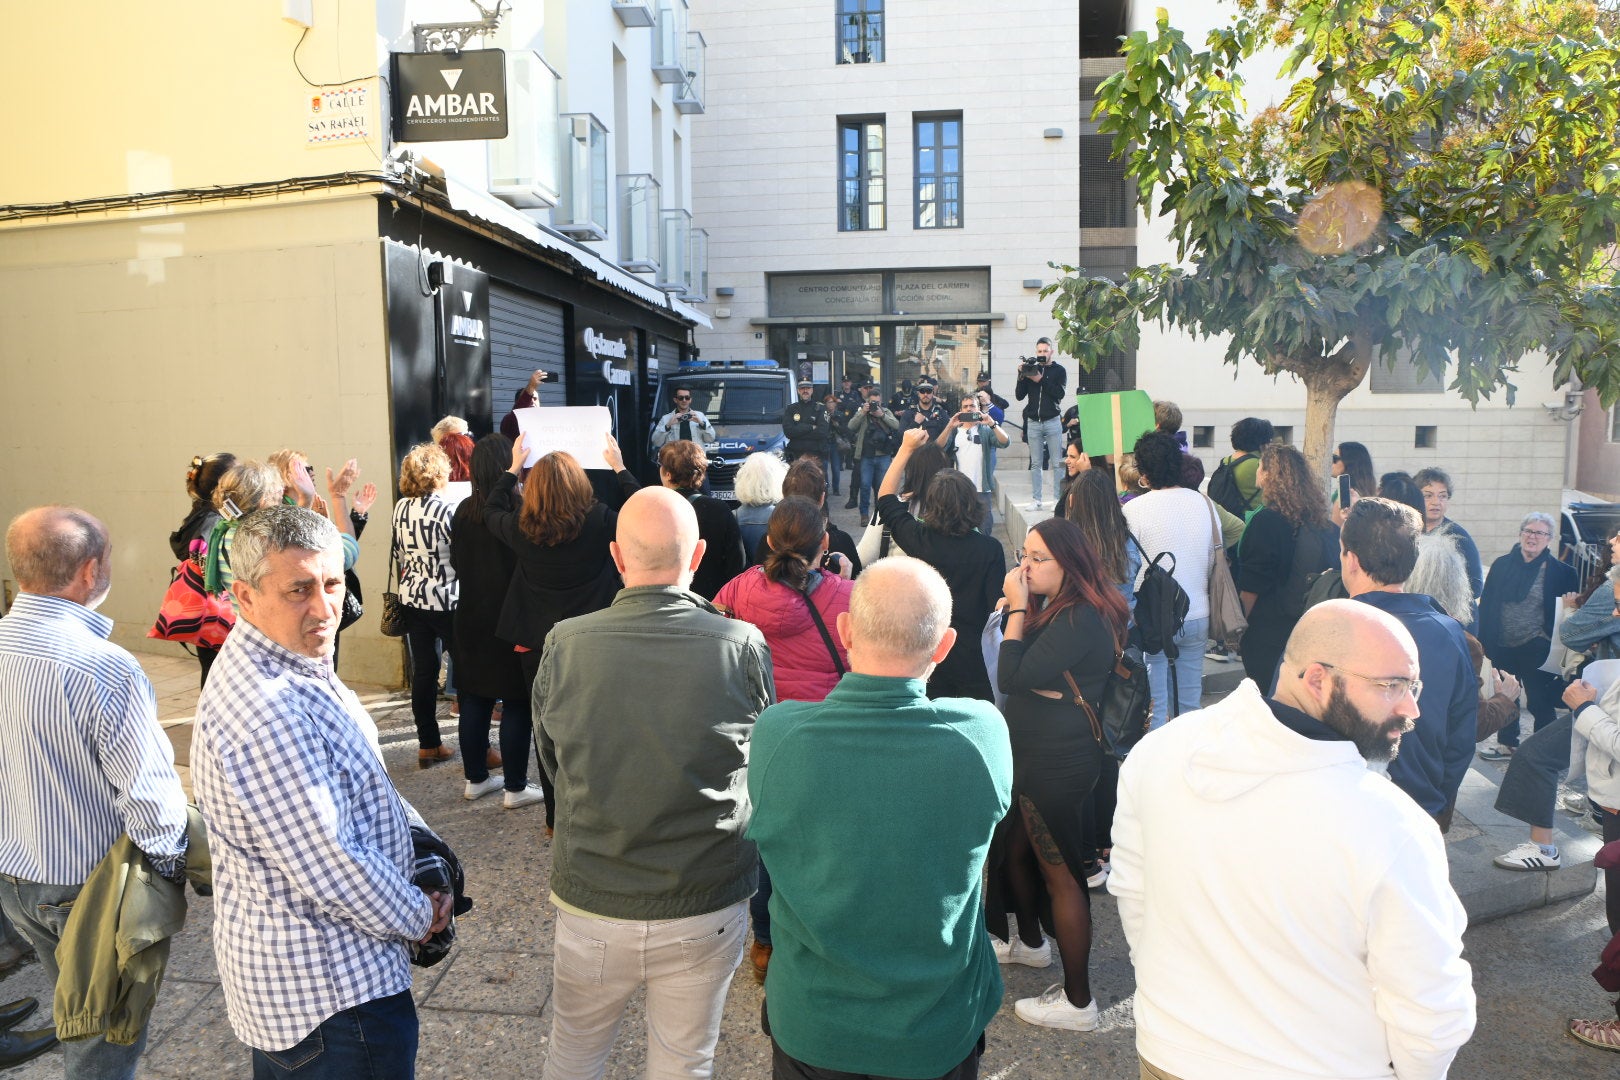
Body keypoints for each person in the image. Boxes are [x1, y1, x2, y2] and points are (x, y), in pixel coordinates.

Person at [1110, 599, 1475, 1079]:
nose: (1412, 708)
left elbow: (1133, 897)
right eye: (1392, 686)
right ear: (1317, 679)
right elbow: (1431, 1010)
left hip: (1170, 1053)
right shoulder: (1393, 826)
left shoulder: (1162, 749)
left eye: (1414, 685)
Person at [193, 506, 452, 1078]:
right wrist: (421, 914)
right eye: (299, 590)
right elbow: (333, 866)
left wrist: (423, 855)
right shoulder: (268, 711)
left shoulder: (291, 658)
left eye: (332, 584)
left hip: (315, 992)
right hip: (334, 1001)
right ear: (245, 595)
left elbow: (360, 785)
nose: (324, 608)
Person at [534, 487, 774, 1080]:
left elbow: (552, 763)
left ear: (617, 556)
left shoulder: (566, 642)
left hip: (594, 891)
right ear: (697, 557)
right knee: (684, 1062)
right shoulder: (740, 643)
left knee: (574, 1054)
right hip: (704, 893)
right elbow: (763, 760)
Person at [749, 557, 1011, 1077]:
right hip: (936, 1028)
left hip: (813, 1026)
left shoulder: (779, 733)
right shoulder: (981, 733)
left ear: (846, 629)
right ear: (944, 646)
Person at [0, 506, 191, 1078]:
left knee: (76, 1007)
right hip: (89, 887)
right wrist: (171, 869)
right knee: (103, 1038)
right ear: (90, 570)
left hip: (14, 878)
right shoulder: (104, 667)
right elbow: (152, 799)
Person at [992, 517, 1132, 1031]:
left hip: (1055, 762)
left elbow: (1010, 675)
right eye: (1023, 555)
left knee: (1063, 877)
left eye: (1037, 558)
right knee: (1016, 851)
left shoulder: (1079, 618)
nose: (1025, 567)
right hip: (1037, 754)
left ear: (1068, 564)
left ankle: (1079, 1002)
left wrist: (1016, 609)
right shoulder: (1065, 607)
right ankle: (1031, 944)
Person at [715, 497, 855, 984]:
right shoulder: (848, 596)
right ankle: (813, 939)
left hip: (761, 736)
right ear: (825, 543)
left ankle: (765, 943)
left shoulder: (737, 589)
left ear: (770, 542)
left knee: (765, 840)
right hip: (825, 737)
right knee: (820, 845)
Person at [484, 435, 637, 819]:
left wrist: (512, 469)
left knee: (546, 729)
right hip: (593, 638)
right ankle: (598, 809)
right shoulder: (601, 520)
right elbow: (640, 510)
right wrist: (619, 467)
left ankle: (555, 816)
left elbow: (490, 509)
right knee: (597, 724)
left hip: (537, 642)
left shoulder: (521, 527)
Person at [1341, 498, 1478, 825]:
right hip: (1419, 806)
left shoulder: (1327, 625)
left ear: (1352, 560)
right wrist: (1436, 799)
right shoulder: (1450, 633)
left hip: (1341, 806)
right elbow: (1461, 737)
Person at [878, 429, 1006, 700]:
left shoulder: (918, 539)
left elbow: (885, 498)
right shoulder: (990, 549)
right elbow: (995, 609)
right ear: (972, 503)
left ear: (931, 504)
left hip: (929, 652)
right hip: (973, 657)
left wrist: (905, 449)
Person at [450, 434, 532, 803]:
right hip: (511, 618)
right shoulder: (518, 512)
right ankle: (515, 787)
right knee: (516, 702)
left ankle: (476, 779)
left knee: (474, 699)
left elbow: (456, 562)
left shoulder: (463, 511)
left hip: (470, 616)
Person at [1123, 432, 1215, 727]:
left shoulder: (1132, 510)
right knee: (1189, 704)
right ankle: (1189, 751)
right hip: (1196, 611)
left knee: (1155, 705)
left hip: (1152, 616)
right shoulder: (1205, 504)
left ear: (1144, 472)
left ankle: (1158, 754)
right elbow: (1212, 560)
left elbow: (1128, 568)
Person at [1236, 443, 1341, 689]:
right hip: (1310, 629)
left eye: (1260, 466)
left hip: (1268, 630)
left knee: (1267, 696)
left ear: (1268, 475)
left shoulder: (1266, 521)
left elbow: (1253, 583)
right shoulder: (1323, 525)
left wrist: (1239, 627)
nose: (1257, 471)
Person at [1477, 511, 1580, 759]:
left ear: (1549, 539)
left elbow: (1571, 610)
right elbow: (1488, 603)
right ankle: (1507, 744)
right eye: (1529, 531)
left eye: (1540, 533)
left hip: (1538, 644)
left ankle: (1544, 751)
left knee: (1539, 700)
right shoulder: (1502, 565)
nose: (1533, 537)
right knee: (1506, 695)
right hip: (1502, 644)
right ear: (1521, 533)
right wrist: (1484, 640)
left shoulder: (1562, 572)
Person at [392, 442, 460, 769]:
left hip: (413, 599)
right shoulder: (448, 510)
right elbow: (461, 557)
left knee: (424, 672)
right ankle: (479, 749)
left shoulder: (400, 508)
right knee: (468, 673)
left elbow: (399, 555)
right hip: (448, 599)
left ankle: (428, 745)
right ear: (438, 473)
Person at [170, 451, 237, 686]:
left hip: (207, 612)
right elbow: (211, 568)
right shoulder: (213, 522)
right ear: (224, 485)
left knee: (211, 670)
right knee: (218, 674)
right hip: (218, 612)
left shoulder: (199, 516)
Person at [658, 440, 747, 599]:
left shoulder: (657, 509)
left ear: (668, 474)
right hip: (714, 602)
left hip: (668, 601)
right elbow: (737, 564)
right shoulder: (720, 509)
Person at [937, 392, 1010, 533]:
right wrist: (949, 426)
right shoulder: (954, 432)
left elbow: (1005, 442)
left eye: (972, 406)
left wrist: (992, 423)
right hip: (959, 490)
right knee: (959, 530)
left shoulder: (986, 430)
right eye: (965, 407)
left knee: (984, 529)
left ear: (978, 409)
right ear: (961, 410)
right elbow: (938, 448)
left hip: (982, 490)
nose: (969, 409)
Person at [780, 457, 862, 575]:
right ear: (822, 498)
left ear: (784, 495)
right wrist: (843, 581)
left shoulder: (773, 539)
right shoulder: (841, 541)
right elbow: (858, 582)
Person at [1014, 337, 1068, 511]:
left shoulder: (1059, 370)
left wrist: (1040, 379)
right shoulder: (1031, 369)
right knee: (1036, 463)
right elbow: (1019, 396)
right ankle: (1036, 499)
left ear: (1051, 352)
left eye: (1045, 351)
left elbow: (1059, 393)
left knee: (1057, 462)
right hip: (1033, 423)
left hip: (1052, 421)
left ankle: (1057, 499)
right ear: (1036, 352)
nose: (1042, 354)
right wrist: (1021, 375)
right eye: (1039, 351)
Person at [1414, 466, 1484, 599]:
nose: (1436, 502)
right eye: (1428, 496)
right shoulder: (1409, 531)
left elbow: (1476, 586)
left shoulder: (1458, 536)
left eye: (1442, 496)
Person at [846, 383, 900, 517]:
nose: (875, 405)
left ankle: (880, 514)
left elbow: (896, 425)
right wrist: (863, 412)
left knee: (881, 487)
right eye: (872, 402)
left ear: (881, 401)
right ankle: (864, 514)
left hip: (883, 455)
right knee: (865, 486)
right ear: (867, 402)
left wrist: (882, 415)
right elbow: (851, 426)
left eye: (877, 402)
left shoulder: (885, 411)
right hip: (867, 455)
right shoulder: (863, 412)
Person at [1208, 416, 1272, 519]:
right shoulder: (1259, 466)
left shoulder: (1226, 461)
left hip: (1228, 520)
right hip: (1251, 521)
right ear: (1262, 442)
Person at [733, 452, 788, 566]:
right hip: (773, 575)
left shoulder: (732, 517)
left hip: (743, 577)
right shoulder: (784, 518)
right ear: (777, 481)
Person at [651, 385, 718, 449]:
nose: (684, 400)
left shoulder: (700, 416)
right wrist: (668, 426)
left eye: (687, 398)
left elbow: (711, 439)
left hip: (695, 456)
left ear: (690, 400)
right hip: (675, 456)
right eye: (681, 398)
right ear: (675, 400)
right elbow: (656, 442)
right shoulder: (666, 418)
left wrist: (701, 424)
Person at [782, 381, 831, 464]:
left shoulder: (822, 409)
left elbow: (822, 432)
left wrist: (798, 431)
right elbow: (788, 432)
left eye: (808, 388)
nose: (805, 391)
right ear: (798, 391)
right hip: (795, 455)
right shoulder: (791, 409)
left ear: (812, 390)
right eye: (802, 388)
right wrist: (811, 427)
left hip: (815, 456)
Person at [1331, 440, 1377, 524]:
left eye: (1334, 458)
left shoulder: (1346, 495)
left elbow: (1335, 528)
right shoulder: (1366, 492)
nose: (1330, 462)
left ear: (1349, 463)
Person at [499, 368, 551, 440]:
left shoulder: (544, 422)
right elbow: (519, 411)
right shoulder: (509, 420)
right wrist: (531, 386)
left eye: (535, 399)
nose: (532, 401)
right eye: (528, 398)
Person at [1051, 438, 1090, 519]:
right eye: (1067, 456)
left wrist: (1086, 472)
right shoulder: (1067, 483)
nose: (1066, 461)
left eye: (1072, 457)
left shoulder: (1092, 486)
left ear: (1086, 459)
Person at [823, 392, 851, 497]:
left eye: (832, 402)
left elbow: (845, 430)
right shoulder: (823, 414)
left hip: (836, 443)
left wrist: (837, 425)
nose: (830, 404)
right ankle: (825, 488)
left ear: (835, 404)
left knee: (836, 467)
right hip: (825, 442)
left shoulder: (840, 415)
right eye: (828, 402)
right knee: (824, 467)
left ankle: (836, 489)